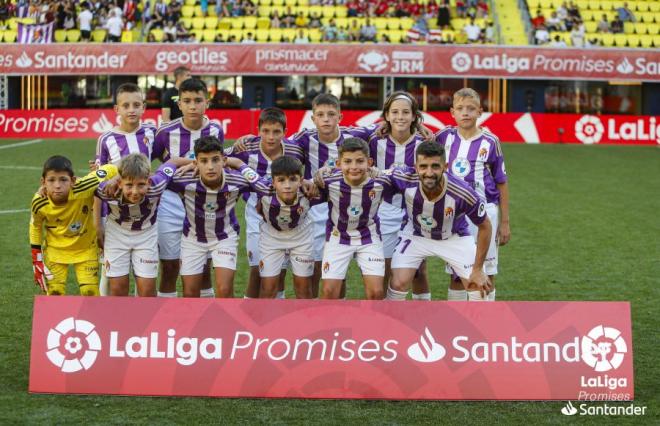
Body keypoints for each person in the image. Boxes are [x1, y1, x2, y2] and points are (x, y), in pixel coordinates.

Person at [288, 94, 376, 297]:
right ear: (313, 119)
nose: (326, 119)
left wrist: (420, 127)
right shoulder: (303, 138)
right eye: (320, 114)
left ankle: (338, 309)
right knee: (316, 266)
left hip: (347, 209)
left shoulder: (355, 136)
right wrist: (304, 181)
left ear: (340, 117)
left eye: (331, 114)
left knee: (339, 271)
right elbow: (277, 147)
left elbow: (384, 127)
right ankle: (311, 313)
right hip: (316, 209)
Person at [385, 142, 492, 301]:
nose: (429, 172)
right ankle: (392, 323)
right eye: (423, 166)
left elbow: (485, 226)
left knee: (478, 288)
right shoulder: (403, 177)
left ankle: (478, 324)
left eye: (435, 166)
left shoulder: (463, 192)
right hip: (415, 236)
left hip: (454, 238)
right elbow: (372, 175)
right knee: (398, 282)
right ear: (415, 167)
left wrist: (477, 269)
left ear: (445, 166)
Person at [167, 136, 272, 297]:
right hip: (193, 239)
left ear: (224, 160)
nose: (210, 167)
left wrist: (239, 164)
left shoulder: (237, 180)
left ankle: (224, 322)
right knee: (190, 293)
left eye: (215, 160)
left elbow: (265, 188)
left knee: (224, 290)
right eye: (204, 161)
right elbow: (152, 181)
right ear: (195, 163)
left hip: (225, 238)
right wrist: (176, 162)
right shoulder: (183, 179)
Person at [152, 78, 224, 298]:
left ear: (207, 103)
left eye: (198, 100)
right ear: (179, 104)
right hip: (171, 202)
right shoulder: (165, 132)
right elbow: (147, 162)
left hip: (204, 202)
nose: (193, 106)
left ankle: (204, 322)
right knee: (170, 266)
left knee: (203, 267)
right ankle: (168, 318)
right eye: (187, 101)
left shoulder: (215, 130)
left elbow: (218, 161)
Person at [435, 88, 509, 301]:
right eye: (460, 108)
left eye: (471, 109)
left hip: (486, 213)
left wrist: (505, 222)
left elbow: (502, 182)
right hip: (455, 214)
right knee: (457, 273)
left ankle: (487, 321)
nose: (465, 113)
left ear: (480, 112)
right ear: (452, 112)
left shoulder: (490, 141)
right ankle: (457, 322)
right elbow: (422, 138)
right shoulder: (444, 137)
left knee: (487, 270)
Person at [224, 108, 305, 299]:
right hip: (255, 213)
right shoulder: (246, 147)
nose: (271, 136)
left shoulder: (295, 149)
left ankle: (276, 313)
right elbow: (217, 155)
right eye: (266, 131)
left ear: (285, 132)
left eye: (276, 132)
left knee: (280, 271)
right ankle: (249, 312)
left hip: (286, 216)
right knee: (256, 269)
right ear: (258, 130)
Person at [94, 83, 157, 295]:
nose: (131, 109)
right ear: (116, 109)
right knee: (113, 279)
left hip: (147, 215)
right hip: (116, 216)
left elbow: (161, 160)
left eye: (136, 104)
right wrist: (98, 224)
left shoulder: (151, 132)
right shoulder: (106, 139)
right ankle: (109, 316)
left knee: (146, 280)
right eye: (126, 105)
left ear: (144, 107)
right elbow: (98, 181)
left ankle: (143, 323)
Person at [95, 154, 189, 296]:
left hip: (146, 235)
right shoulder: (108, 190)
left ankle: (145, 318)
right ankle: (120, 319)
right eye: (129, 185)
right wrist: (98, 226)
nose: (135, 191)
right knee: (118, 290)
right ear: (120, 183)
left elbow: (173, 161)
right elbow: (87, 188)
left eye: (141, 185)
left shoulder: (158, 184)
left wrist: (195, 163)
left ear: (149, 181)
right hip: (117, 235)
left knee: (147, 291)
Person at [314, 138, 392, 300]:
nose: (354, 167)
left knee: (377, 293)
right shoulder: (328, 181)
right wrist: (320, 172)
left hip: (369, 236)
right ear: (338, 163)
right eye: (348, 162)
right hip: (338, 237)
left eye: (360, 161)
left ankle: (375, 324)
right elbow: (304, 186)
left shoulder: (381, 180)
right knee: (329, 292)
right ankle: (336, 324)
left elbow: (406, 172)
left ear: (369, 162)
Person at [29, 157, 117, 296]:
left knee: (90, 292)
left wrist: (114, 179)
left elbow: (112, 169)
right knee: (55, 293)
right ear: (43, 182)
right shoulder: (39, 201)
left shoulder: (85, 186)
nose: (57, 185)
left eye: (63, 180)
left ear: (73, 181)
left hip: (85, 248)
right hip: (55, 251)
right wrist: (37, 259)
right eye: (51, 180)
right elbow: (35, 227)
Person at [253, 156, 317, 298]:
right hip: (271, 236)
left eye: (293, 179)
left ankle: (306, 320)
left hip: (301, 236)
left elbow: (331, 177)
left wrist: (323, 171)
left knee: (304, 288)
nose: (287, 185)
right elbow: (240, 167)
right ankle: (267, 320)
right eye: (281, 180)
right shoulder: (262, 187)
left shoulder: (309, 190)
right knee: (268, 288)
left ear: (301, 180)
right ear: (273, 181)